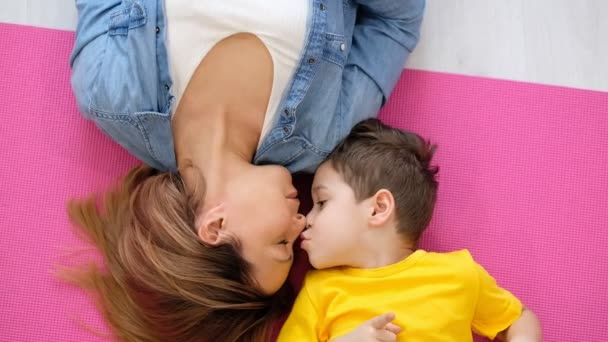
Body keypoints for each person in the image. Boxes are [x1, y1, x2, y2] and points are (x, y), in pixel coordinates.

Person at [66, 0, 425, 341]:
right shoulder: (321, 136)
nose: (301, 222)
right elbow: (396, 23)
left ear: (215, 226)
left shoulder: (109, 95)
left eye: (280, 243)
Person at [278, 119, 542, 342]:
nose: (306, 219)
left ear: (378, 208)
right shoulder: (319, 291)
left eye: (322, 203)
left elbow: (519, 319)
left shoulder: (458, 274)